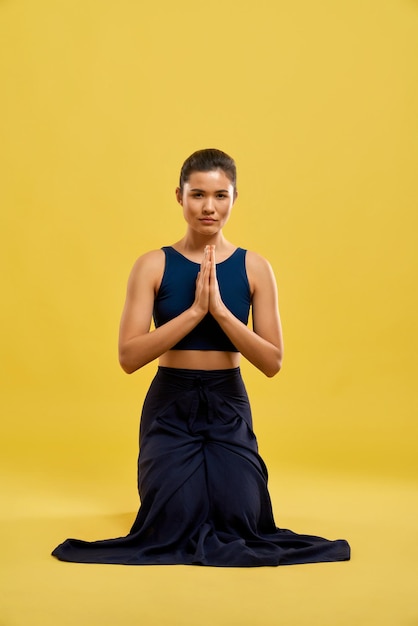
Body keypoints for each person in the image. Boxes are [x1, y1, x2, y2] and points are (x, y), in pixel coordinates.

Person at [52, 148, 350, 566]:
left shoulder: (256, 267)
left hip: (227, 401)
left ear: (234, 198)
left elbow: (271, 361)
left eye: (220, 195)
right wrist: (194, 312)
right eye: (197, 194)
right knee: (172, 522)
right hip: (170, 405)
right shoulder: (152, 264)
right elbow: (128, 356)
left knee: (241, 518)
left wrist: (221, 312)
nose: (209, 207)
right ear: (179, 196)